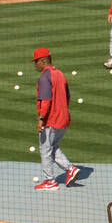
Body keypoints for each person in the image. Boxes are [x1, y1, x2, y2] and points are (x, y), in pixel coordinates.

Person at [33, 47, 80, 191]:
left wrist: (41, 119)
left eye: (36, 62)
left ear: (43, 61)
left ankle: (50, 181)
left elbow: (45, 100)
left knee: (45, 149)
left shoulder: (45, 77)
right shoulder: (60, 74)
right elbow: (68, 97)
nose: (35, 65)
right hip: (63, 118)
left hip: (51, 120)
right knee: (51, 146)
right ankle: (70, 169)